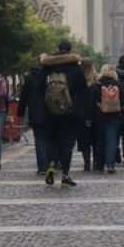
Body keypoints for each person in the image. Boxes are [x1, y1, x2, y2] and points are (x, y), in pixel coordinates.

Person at [37, 40, 86, 187]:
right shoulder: (76, 68)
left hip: (50, 112)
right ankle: (65, 174)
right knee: (67, 144)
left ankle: (51, 164)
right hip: (71, 113)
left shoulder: (47, 68)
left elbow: (40, 89)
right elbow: (83, 90)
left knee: (53, 141)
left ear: (57, 49)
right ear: (70, 50)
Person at [88, 64, 124, 174]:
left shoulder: (97, 85)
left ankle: (100, 164)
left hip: (100, 116)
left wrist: (89, 117)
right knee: (112, 141)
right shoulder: (118, 84)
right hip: (115, 116)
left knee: (100, 140)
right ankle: (110, 164)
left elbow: (91, 102)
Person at [21, 64, 49, 175]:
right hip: (49, 112)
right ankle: (52, 163)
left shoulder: (30, 78)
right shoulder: (48, 76)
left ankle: (42, 166)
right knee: (49, 139)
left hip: (35, 112)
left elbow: (24, 96)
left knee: (39, 139)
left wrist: (21, 111)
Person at [77, 58, 98, 171]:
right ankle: (95, 161)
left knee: (85, 140)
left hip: (82, 114)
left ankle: (86, 163)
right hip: (96, 114)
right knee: (95, 139)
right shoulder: (97, 79)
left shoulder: (79, 79)